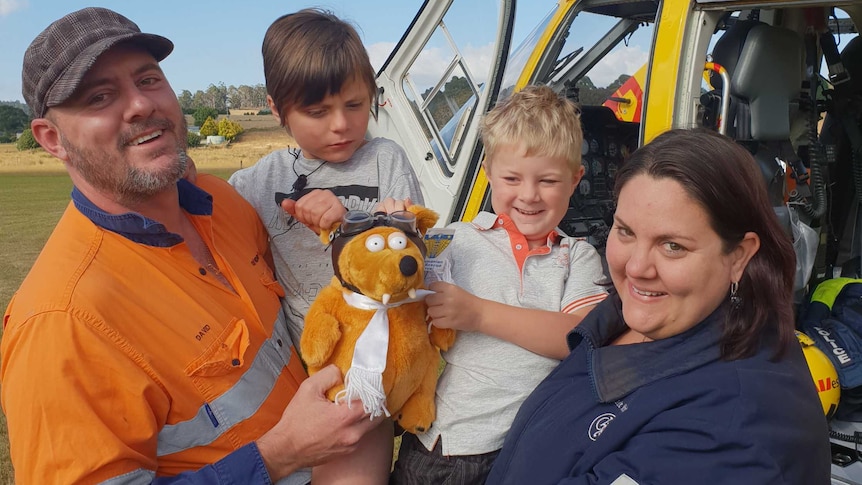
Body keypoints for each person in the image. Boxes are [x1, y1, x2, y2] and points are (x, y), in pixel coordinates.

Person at [1, 7, 381, 484]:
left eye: (148, 79)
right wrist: (279, 454)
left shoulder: (224, 204)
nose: (140, 105)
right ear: (51, 138)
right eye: (100, 97)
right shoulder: (61, 322)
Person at [486, 128, 832, 484]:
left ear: (738, 256)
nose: (636, 268)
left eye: (672, 246)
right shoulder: (636, 320)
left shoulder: (734, 430)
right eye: (625, 232)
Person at [227, 9, 424, 483]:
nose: (341, 125)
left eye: (355, 105)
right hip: (287, 375)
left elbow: (414, 266)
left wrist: (351, 225)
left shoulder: (386, 161)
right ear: (277, 110)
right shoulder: (259, 181)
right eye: (317, 113)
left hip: (363, 377)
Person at [390, 85, 608, 484]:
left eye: (547, 180)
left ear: (576, 179)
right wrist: (393, 235)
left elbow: (578, 338)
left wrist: (478, 313)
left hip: (531, 453)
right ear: (488, 172)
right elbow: (397, 295)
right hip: (448, 447)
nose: (529, 195)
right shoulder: (452, 240)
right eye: (511, 177)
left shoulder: (577, 257)